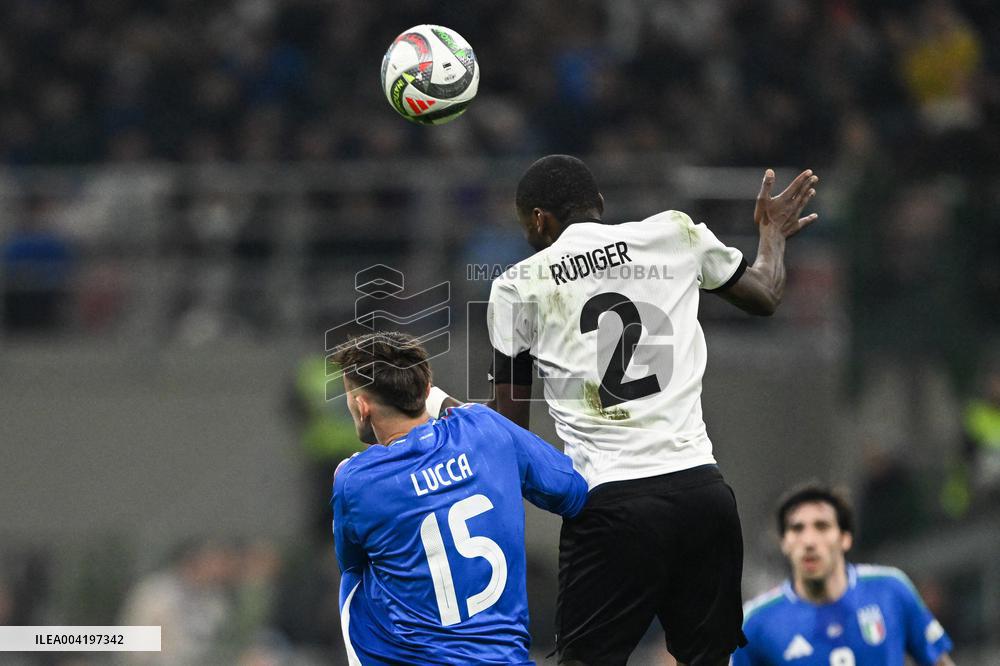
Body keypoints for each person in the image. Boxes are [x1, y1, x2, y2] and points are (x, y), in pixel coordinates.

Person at [485, 154, 819, 665]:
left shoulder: (517, 285)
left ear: (537, 219)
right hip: (702, 494)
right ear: (598, 206)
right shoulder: (674, 234)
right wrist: (771, 234)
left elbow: (508, 424)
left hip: (612, 505)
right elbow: (765, 296)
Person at [330, 331, 588, 665]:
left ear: (362, 406)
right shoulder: (484, 428)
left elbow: (349, 560)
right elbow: (574, 492)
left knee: (357, 580)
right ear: (426, 390)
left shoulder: (355, 479)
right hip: (508, 659)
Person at [733, 484, 954, 666]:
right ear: (784, 543)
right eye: (797, 529)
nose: (809, 542)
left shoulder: (890, 590)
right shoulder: (756, 622)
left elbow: (939, 662)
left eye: (821, 526)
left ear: (845, 538)